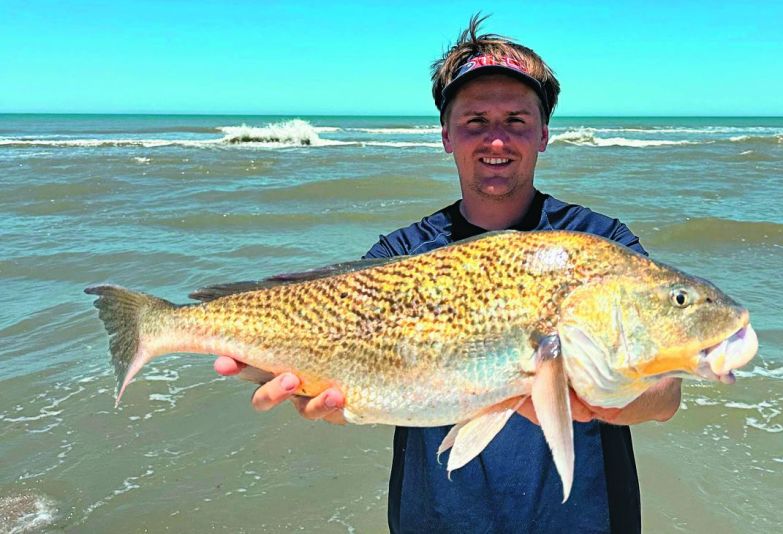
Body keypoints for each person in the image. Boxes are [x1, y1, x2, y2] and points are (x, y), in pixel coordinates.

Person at [214, 15, 681, 533]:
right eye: (475, 121)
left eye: (517, 121)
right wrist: (316, 390)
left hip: (585, 518)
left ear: (544, 134)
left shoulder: (599, 245)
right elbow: (349, 360)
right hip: (436, 518)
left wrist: (607, 405)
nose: (497, 141)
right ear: (446, 135)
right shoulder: (401, 254)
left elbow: (665, 394)